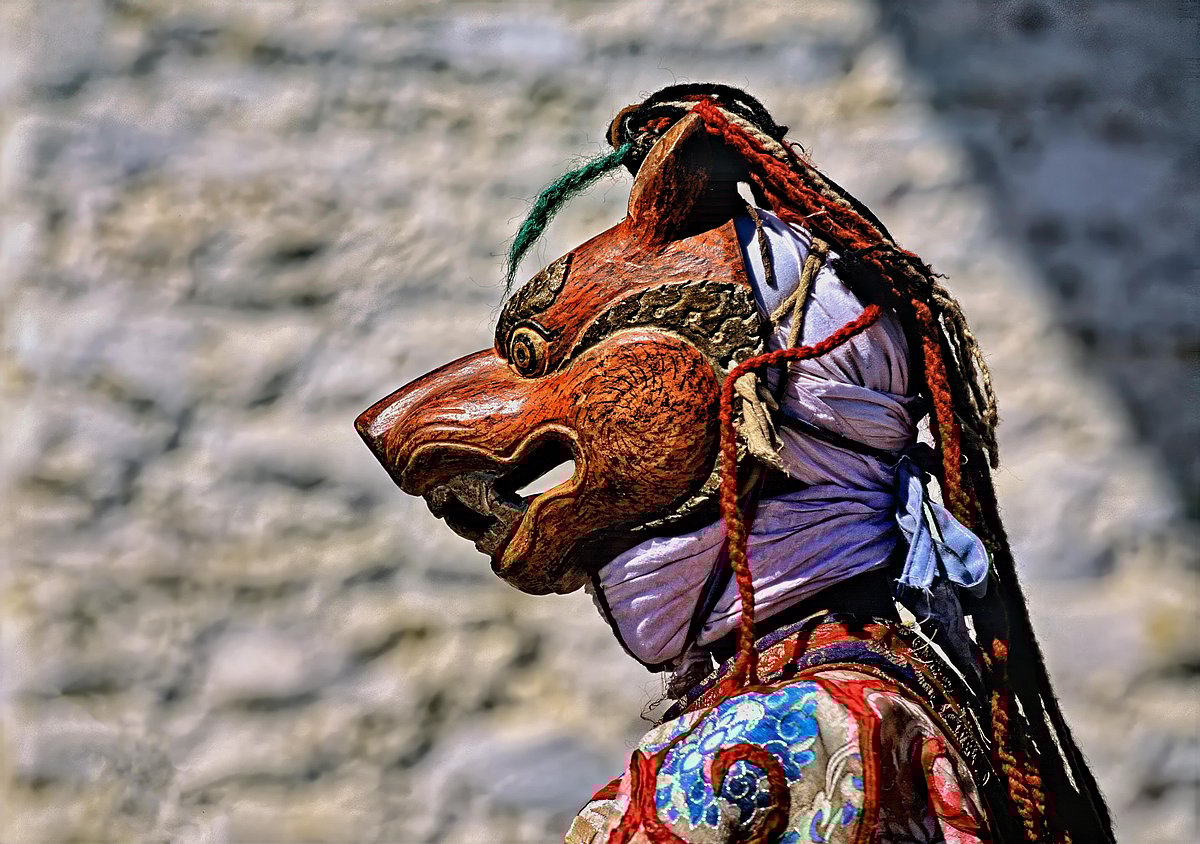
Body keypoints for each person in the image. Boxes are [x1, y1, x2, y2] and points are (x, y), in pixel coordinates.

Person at [357, 85, 1114, 844]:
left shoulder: (791, 732)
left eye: (530, 358)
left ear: (745, 400)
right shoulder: (877, 689)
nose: (392, 423)